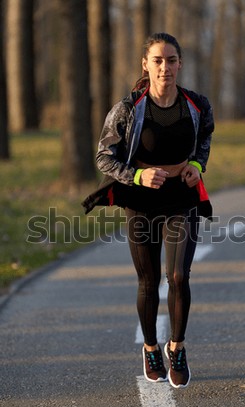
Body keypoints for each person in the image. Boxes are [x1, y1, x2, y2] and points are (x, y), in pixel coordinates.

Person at [82, 32, 214, 388]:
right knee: (148, 280)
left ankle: (178, 346)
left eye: (171, 60)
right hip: (141, 202)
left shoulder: (197, 104)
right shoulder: (128, 108)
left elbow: (205, 138)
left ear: (180, 64)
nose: (164, 68)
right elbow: (103, 156)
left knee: (179, 277)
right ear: (146, 64)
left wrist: (197, 167)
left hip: (181, 199)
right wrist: (137, 175)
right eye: (157, 60)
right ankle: (151, 348)